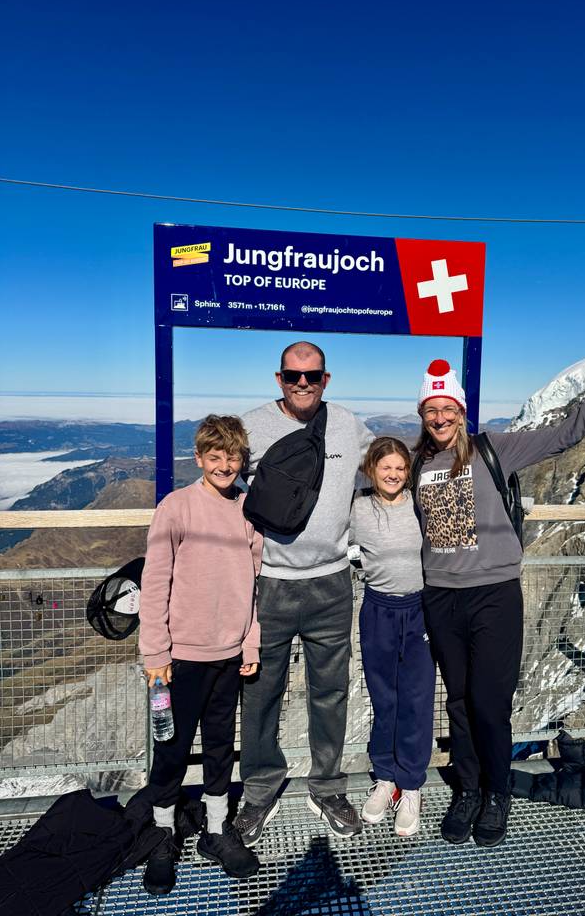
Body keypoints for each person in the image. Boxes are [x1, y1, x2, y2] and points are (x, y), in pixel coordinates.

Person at [413, 342, 585, 849]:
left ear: (461, 413)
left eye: (447, 409)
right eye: (431, 409)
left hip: (493, 596)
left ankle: (496, 793)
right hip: (440, 597)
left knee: (489, 700)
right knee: (458, 700)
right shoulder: (414, 462)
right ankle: (468, 790)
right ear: (423, 414)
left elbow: (563, 435)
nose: (440, 417)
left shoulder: (492, 448)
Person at [236, 341, 373, 844]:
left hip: (332, 582)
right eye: (292, 376)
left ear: (326, 378)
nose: (302, 384)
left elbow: (389, 465)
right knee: (260, 694)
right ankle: (258, 792)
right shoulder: (250, 427)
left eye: (311, 376)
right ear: (278, 379)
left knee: (331, 692)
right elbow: (219, 482)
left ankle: (328, 787)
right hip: (269, 584)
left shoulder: (347, 424)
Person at [139, 415, 262, 895]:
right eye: (216, 457)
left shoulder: (249, 511)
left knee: (218, 746)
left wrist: (249, 641)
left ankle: (215, 831)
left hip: (229, 653)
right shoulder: (177, 507)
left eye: (233, 457)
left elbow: (254, 585)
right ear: (199, 458)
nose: (225, 465)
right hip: (180, 657)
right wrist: (155, 651)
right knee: (170, 749)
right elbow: (155, 583)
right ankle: (161, 835)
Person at [350, 436, 435, 838]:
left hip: (418, 611)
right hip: (378, 610)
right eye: (386, 467)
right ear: (371, 469)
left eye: (401, 468)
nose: (394, 474)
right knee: (384, 697)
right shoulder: (358, 508)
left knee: (416, 699)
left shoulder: (421, 505)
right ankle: (386, 778)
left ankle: (412, 784)